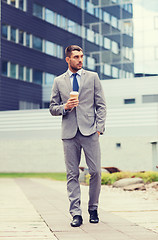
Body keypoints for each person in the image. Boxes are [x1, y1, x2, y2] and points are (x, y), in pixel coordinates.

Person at [49, 45, 106, 227]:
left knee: (96, 171)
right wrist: (65, 107)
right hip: (69, 133)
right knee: (72, 174)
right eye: (76, 57)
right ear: (68, 59)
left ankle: (93, 208)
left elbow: (101, 105)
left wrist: (99, 128)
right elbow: (52, 108)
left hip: (90, 132)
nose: (80, 60)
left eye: (82, 56)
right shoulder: (58, 81)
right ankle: (76, 213)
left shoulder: (93, 77)